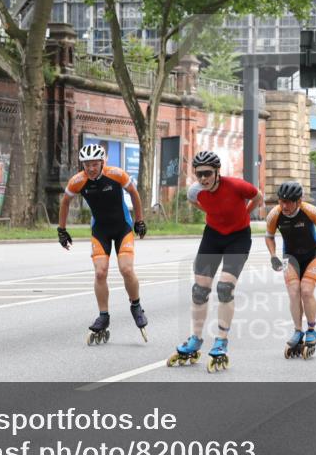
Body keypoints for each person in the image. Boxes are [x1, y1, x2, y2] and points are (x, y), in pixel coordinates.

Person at [168, 150, 265, 373]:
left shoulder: (237, 186)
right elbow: (198, 204)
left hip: (238, 238)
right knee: (199, 290)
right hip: (212, 236)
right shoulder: (195, 192)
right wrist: (212, 214)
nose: (203, 178)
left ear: (217, 172)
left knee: (224, 288)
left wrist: (245, 214)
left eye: (207, 173)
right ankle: (196, 339)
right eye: (199, 174)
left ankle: (221, 340)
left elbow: (258, 197)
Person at [58, 144, 149, 344]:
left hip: (122, 227)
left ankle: (136, 306)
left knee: (126, 269)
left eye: (94, 164)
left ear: (102, 162)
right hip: (100, 231)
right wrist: (62, 230)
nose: (90, 168)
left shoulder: (116, 174)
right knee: (100, 272)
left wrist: (139, 220)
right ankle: (103, 315)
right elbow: (65, 202)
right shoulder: (78, 181)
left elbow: (134, 193)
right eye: (86, 165)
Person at [265, 181, 316, 359]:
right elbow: (269, 237)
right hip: (290, 257)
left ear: (299, 201)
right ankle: (297, 331)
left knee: (306, 291)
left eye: (288, 202)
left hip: (313, 254)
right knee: (294, 292)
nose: (284, 206)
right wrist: (273, 255)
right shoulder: (275, 214)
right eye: (281, 201)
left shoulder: (310, 211)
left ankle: (311, 330)